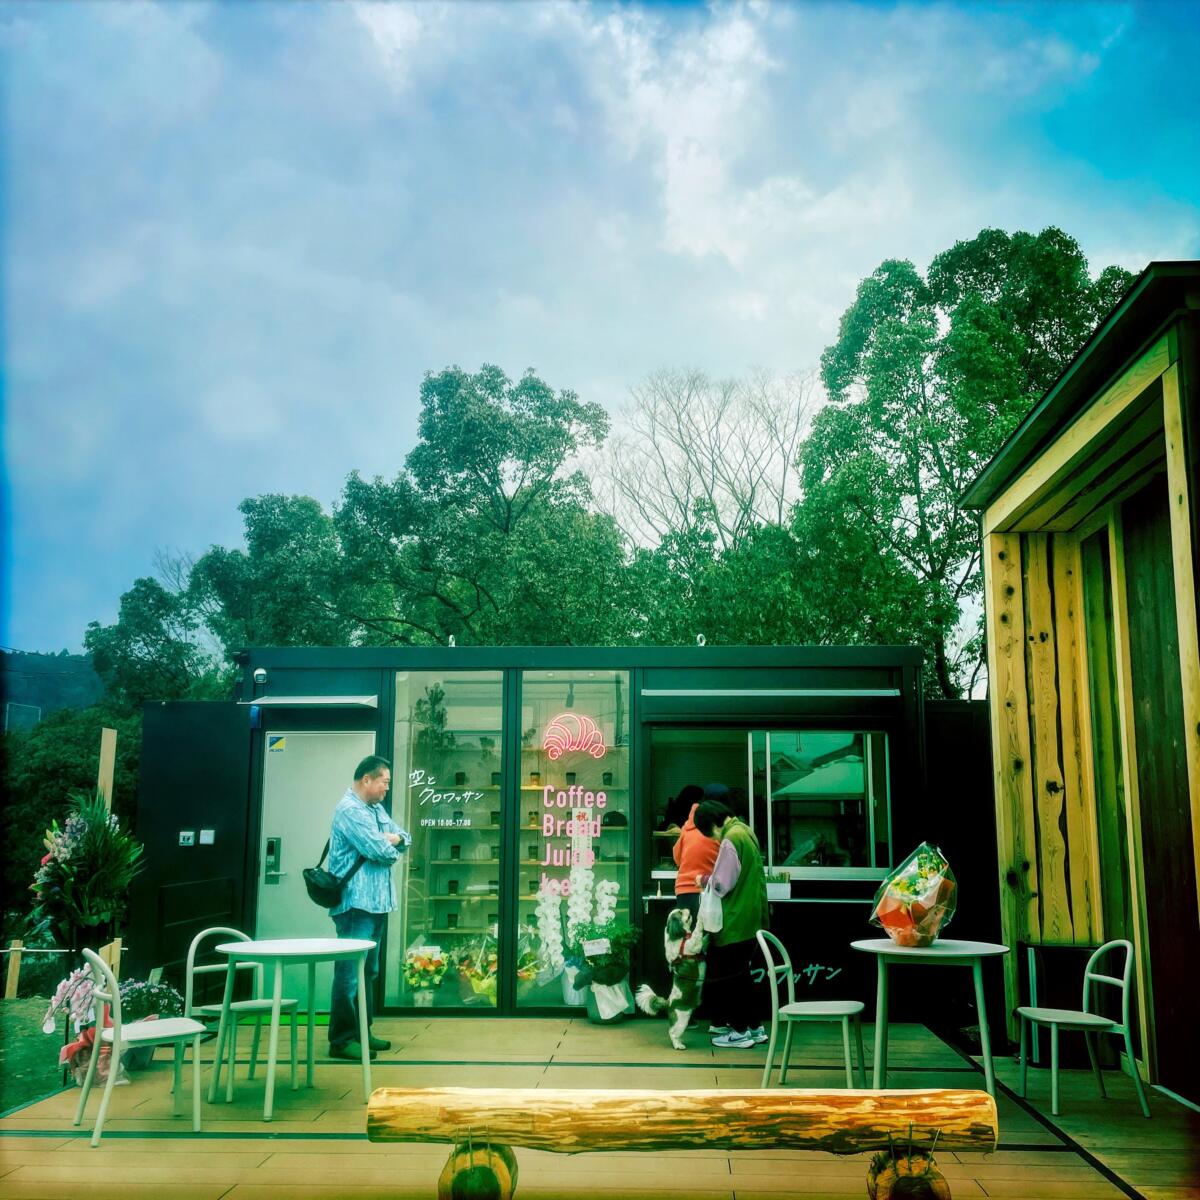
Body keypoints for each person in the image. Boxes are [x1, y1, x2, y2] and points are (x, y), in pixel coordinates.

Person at [327, 754, 410, 1061]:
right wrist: (391, 844)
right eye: (384, 782)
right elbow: (381, 851)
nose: (387, 788)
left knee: (368, 971)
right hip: (356, 904)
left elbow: (405, 838)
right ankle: (341, 1040)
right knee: (349, 972)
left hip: (377, 903)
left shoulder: (374, 809)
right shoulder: (349, 810)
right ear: (367, 780)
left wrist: (395, 839)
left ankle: (363, 1032)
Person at [693, 794, 770, 1048]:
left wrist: (704, 880)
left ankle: (739, 1032)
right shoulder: (746, 831)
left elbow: (721, 885)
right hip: (751, 918)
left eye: (711, 834)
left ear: (713, 825)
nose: (714, 839)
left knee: (731, 979)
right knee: (743, 976)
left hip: (734, 920)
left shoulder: (730, 839)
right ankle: (755, 1027)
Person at [671, 784, 721, 921]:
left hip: (683, 889)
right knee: (704, 931)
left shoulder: (686, 829)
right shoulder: (717, 831)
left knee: (684, 931)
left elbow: (677, 857)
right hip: (706, 890)